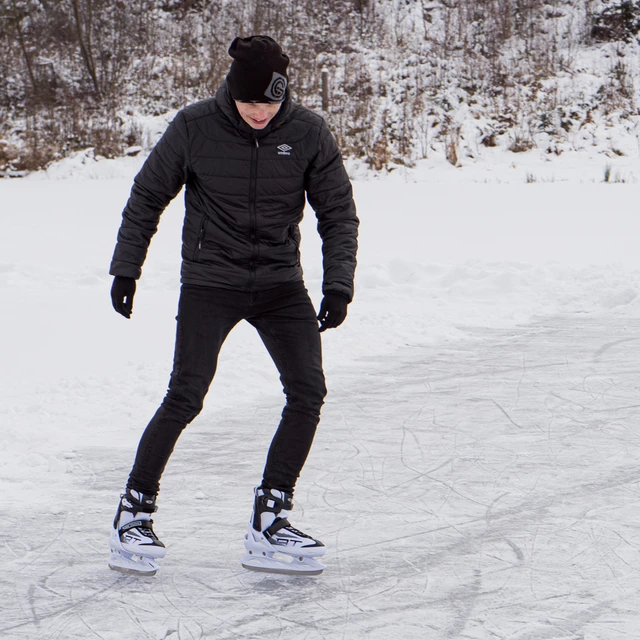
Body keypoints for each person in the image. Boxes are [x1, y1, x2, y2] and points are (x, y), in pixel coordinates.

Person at [107, 35, 359, 577]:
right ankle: (134, 511)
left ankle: (270, 516)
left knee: (308, 391)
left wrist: (338, 283)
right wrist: (126, 266)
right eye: (249, 103)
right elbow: (148, 196)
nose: (259, 113)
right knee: (186, 395)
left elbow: (338, 213)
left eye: (269, 103)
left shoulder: (309, 132)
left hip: (278, 284)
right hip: (210, 281)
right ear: (231, 93)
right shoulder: (195, 126)